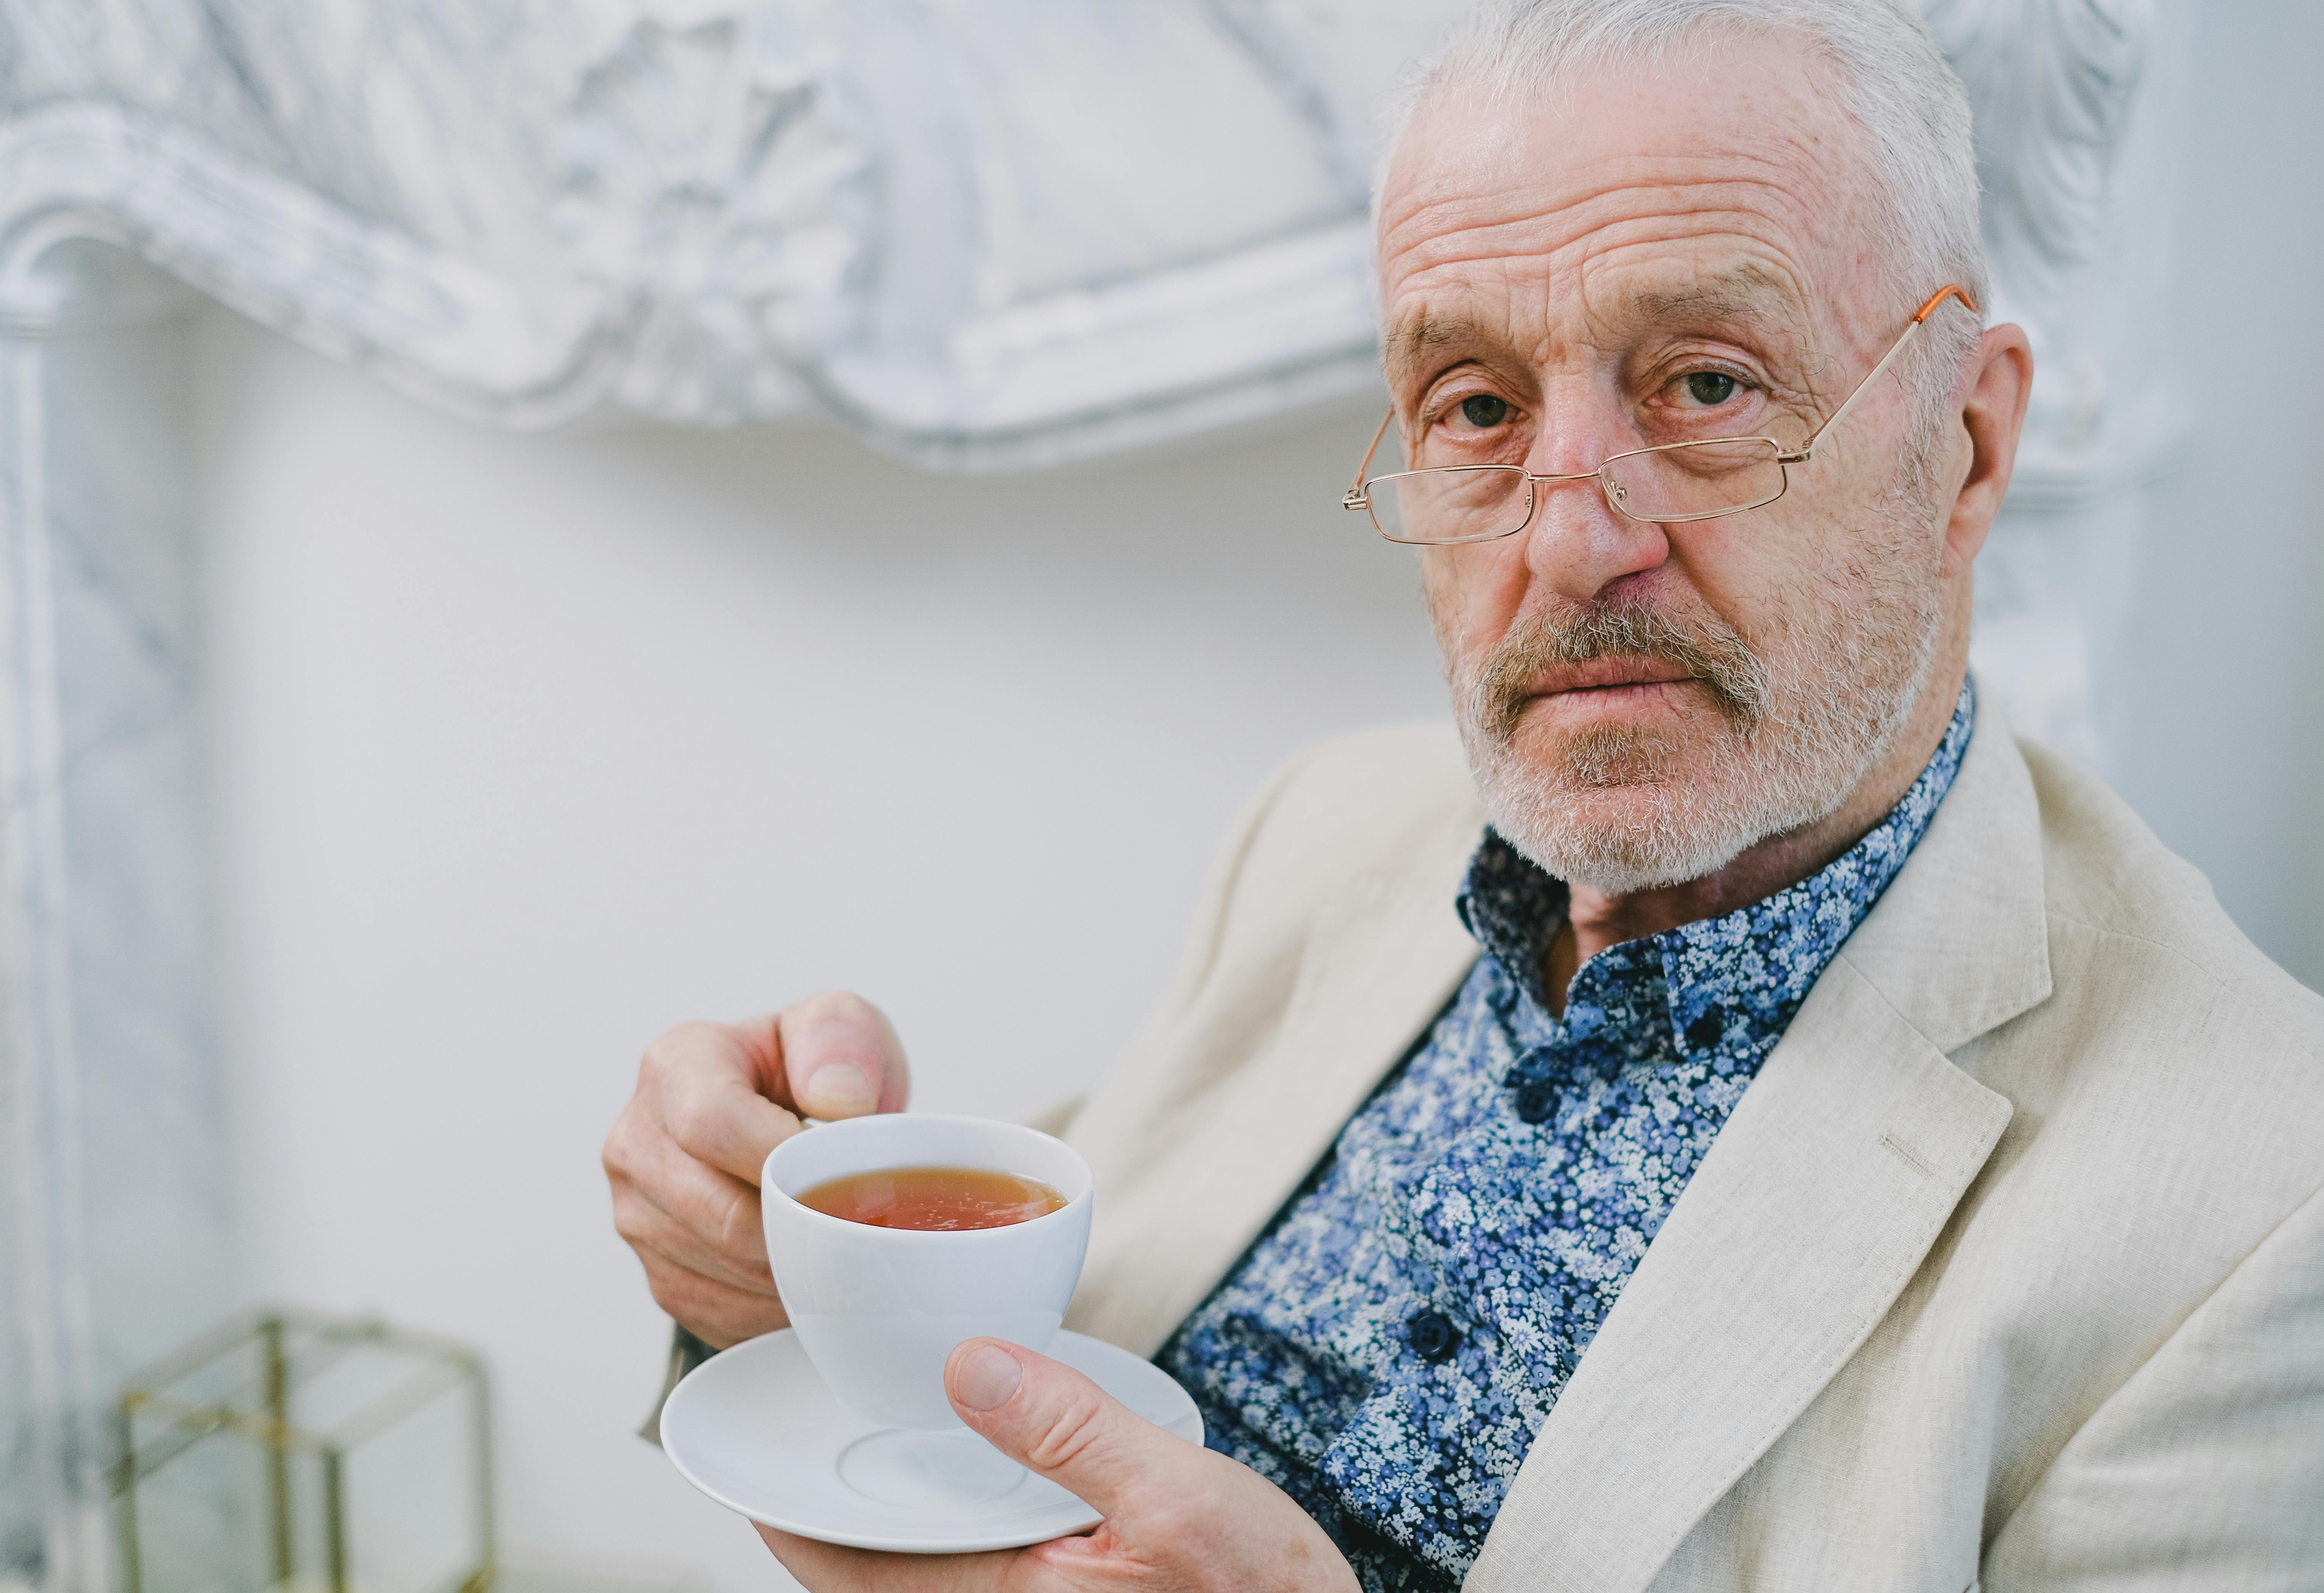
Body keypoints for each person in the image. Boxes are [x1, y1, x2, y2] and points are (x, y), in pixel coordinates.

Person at [602, 1, 2324, 1587]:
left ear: (1968, 443)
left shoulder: (2255, 1212)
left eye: (1709, 384)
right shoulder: (1329, 829)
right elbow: (1032, 1372)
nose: (1572, 542)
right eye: (1479, 406)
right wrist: (782, 1269)